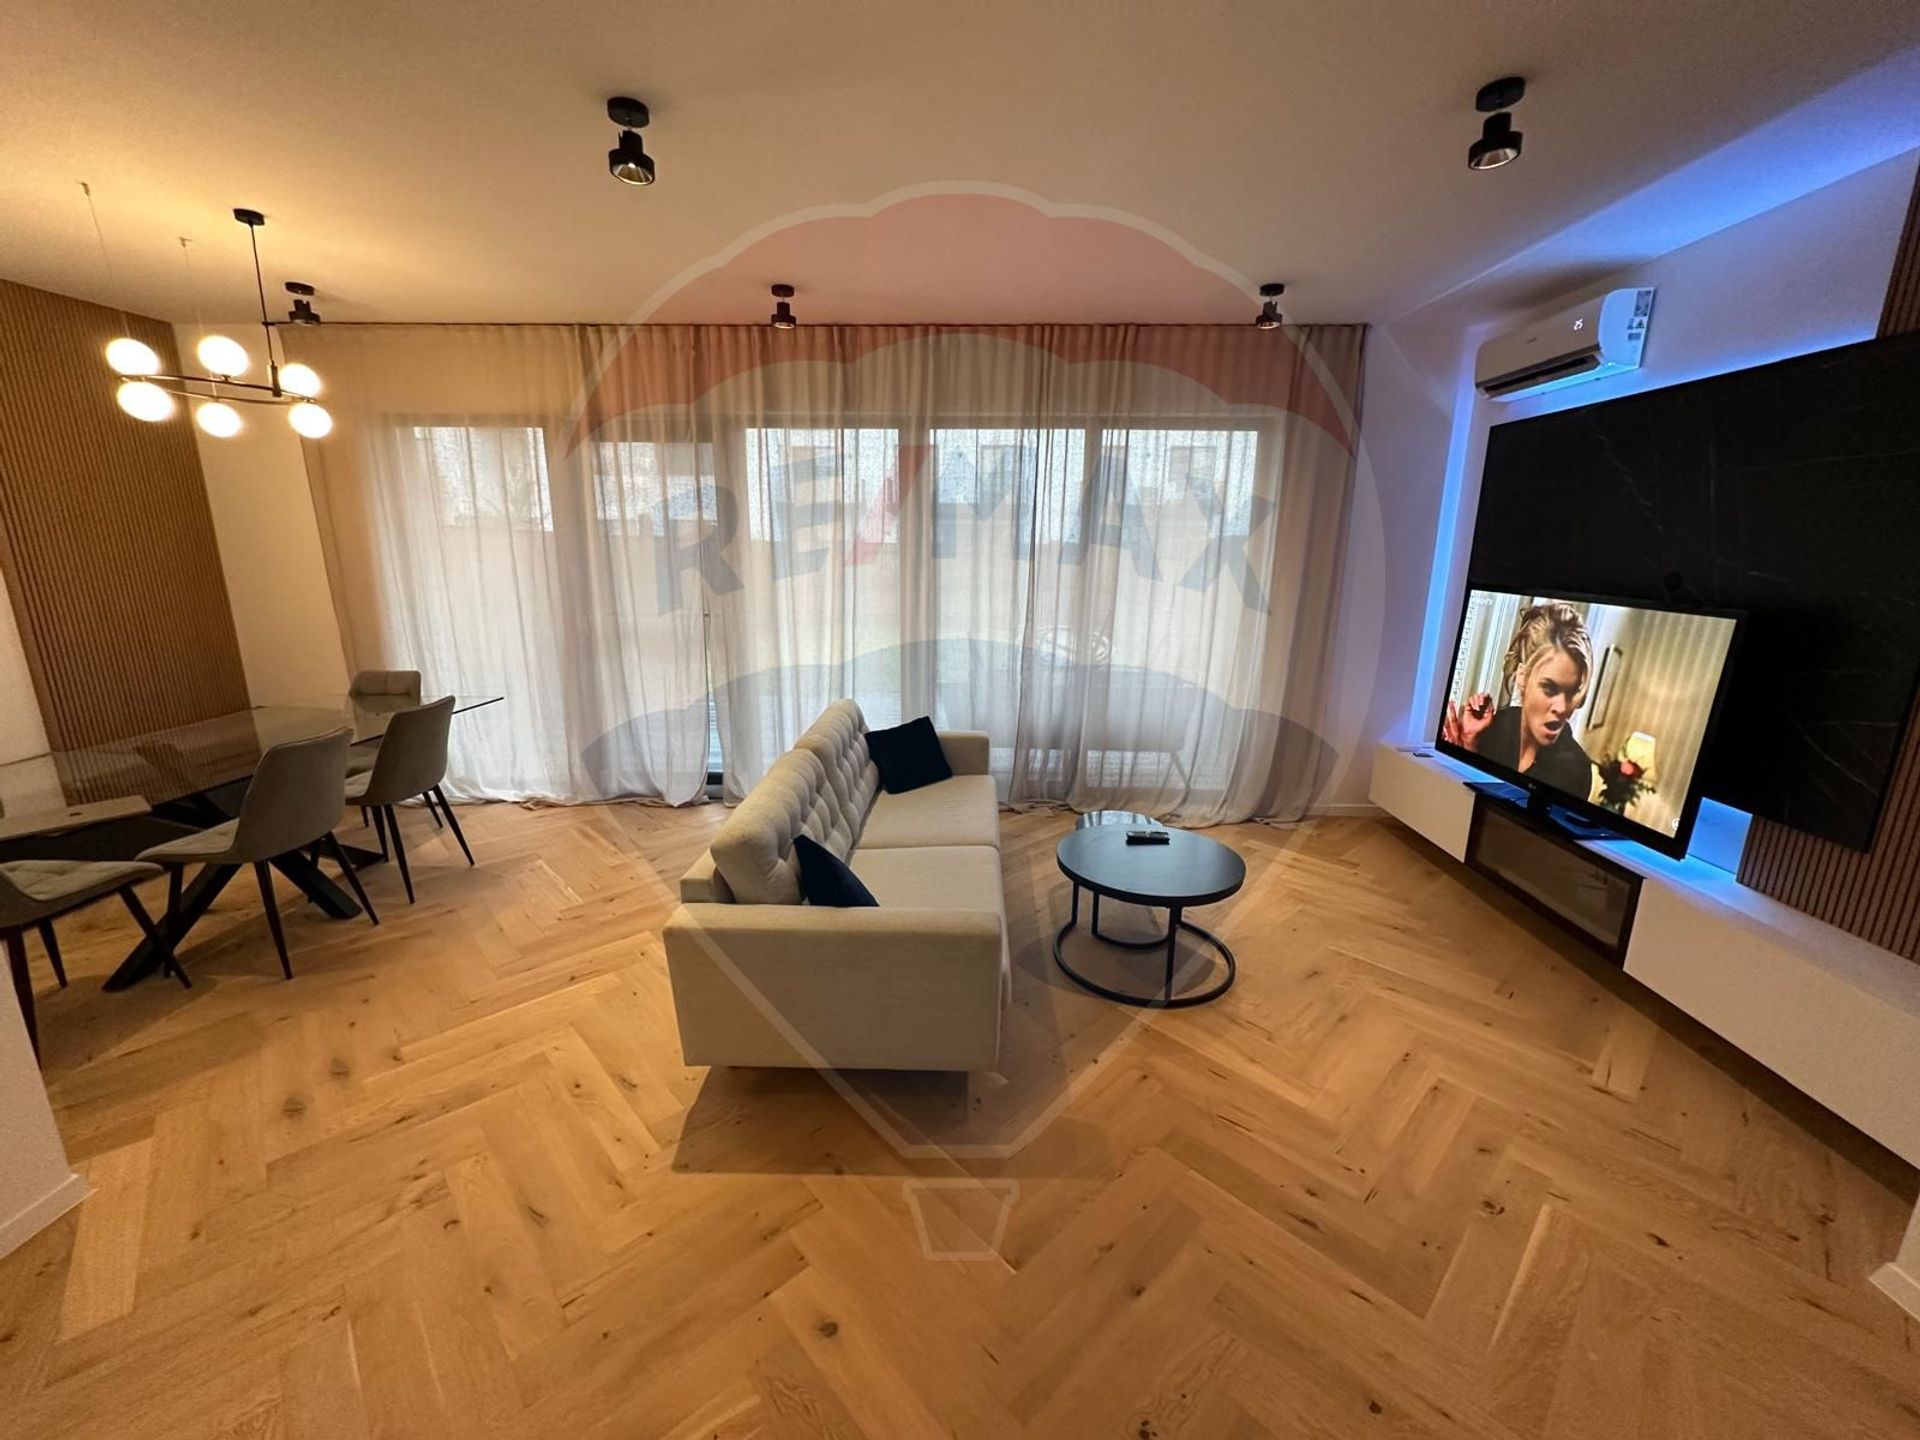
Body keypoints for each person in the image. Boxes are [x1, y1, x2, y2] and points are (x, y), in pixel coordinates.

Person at [1443, 600, 1596, 797]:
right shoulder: (1492, 730)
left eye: (1572, 692)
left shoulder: (1575, 770)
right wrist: (1469, 742)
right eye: (1549, 688)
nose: (1561, 707)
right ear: (1522, 677)